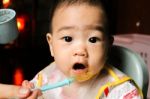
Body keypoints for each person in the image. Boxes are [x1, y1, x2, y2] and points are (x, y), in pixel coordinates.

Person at [22, 0, 143, 99]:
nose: (80, 51)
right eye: (68, 38)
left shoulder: (122, 91)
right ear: (51, 45)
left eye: (93, 40)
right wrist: (27, 94)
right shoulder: (45, 80)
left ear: (107, 47)